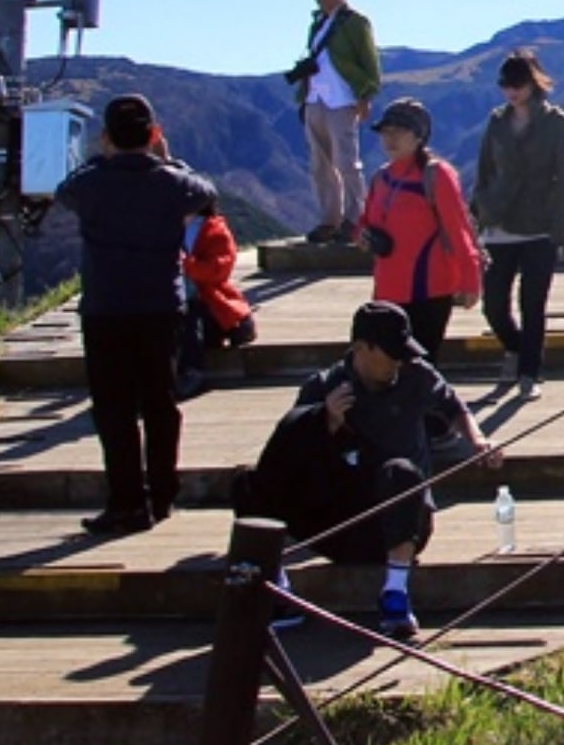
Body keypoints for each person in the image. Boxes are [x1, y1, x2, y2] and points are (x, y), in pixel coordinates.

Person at [240, 301, 502, 640]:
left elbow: (453, 406)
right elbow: (285, 459)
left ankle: (395, 592)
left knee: (402, 473)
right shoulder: (325, 387)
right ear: (362, 348)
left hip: (403, 520)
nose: (398, 361)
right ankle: (281, 592)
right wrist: (324, 421)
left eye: (403, 351)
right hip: (342, 517)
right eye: (390, 352)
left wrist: (478, 440)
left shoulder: (415, 374)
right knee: (247, 482)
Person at [55, 94, 218, 536]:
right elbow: (207, 192)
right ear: (153, 135)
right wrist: (169, 160)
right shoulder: (172, 182)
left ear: (106, 138)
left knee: (114, 409)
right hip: (160, 307)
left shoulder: (90, 184)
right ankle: (162, 493)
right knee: (160, 402)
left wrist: (101, 157)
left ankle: (126, 501)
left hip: (106, 307)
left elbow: (64, 188)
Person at [471, 51, 564, 403]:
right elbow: (484, 168)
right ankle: (517, 351)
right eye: (504, 84)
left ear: (533, 83)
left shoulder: (556, 122)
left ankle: (530, 372)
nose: (510, 92)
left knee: (533, 304)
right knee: (494, 306)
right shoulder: (496, 121)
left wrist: (561, 228)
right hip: (498, 223)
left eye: (516, 84)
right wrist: (477, 212)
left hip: (539, 226)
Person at [356, 98, 483, 366]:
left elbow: (458, 229)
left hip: (429, 289)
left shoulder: (436, 174)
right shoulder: (381, 178)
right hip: (388, 289)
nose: (390, 139)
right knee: (388, 366)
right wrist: (365, 237)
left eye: (399, 132)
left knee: (420, 367)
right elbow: (365, 222)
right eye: (385, 132)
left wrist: (470, 279)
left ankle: (429, 409)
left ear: (418, 136)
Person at [290, 0, 381, 243]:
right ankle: (329, 218)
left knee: (346, 161)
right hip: (315, 98)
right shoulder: (317, 24)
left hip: (342, 99)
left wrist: (365, 95)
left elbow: (368, 60)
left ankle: (355, 218)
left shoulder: (355, 22)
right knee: (320, 163)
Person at [173, 194, 255, 402]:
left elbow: (219, 270)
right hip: (172, 300)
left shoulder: (214, 230)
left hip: (208, 302)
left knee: (189, 317)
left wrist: (187, 265)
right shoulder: (166, 227)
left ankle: (192, 371)